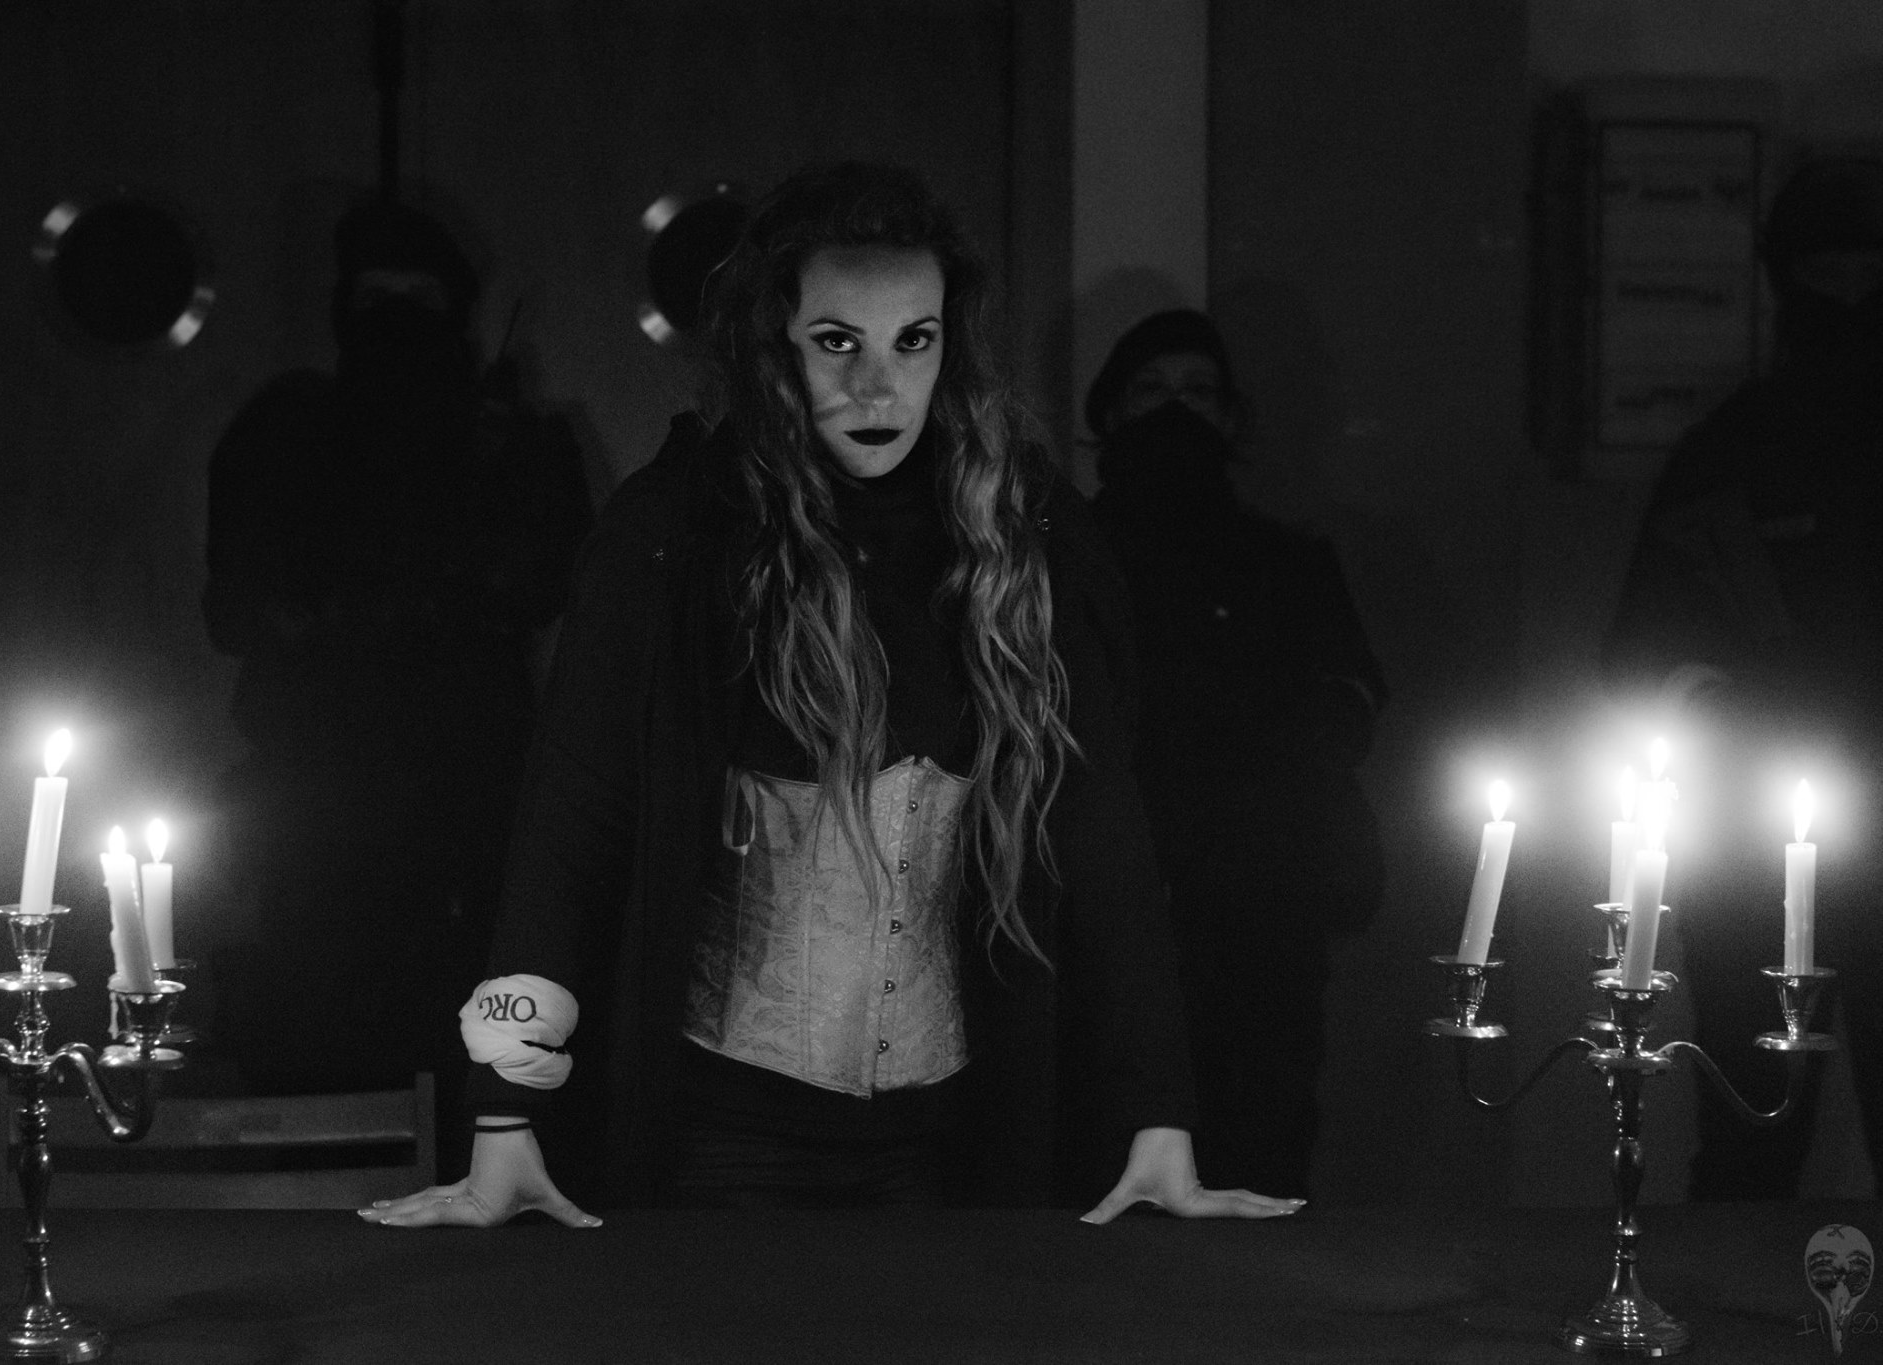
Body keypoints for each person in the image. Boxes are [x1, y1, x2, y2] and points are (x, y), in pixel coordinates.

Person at [359, 163, 1304, 1226]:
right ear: (776, 344)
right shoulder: (676, 535)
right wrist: (503, 1113)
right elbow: (572, 819)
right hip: (722, 1137)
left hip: (953, 1138)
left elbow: (1103, 834)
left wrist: (1157, 1114)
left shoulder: (1022, 535)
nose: (877, 386)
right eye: (837, 341)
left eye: (914, 340)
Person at [203, 199, 592, 1178]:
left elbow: (547, 578)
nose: (398, 323)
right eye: (376, 299)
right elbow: (238, 605)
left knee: (472, 1083)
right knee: (319, 1083)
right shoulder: (287, 430)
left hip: (470, 820)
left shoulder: (511, 439)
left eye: (421, 299)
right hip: (318, 813)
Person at [1602, 156, 1883, 1200]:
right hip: (1758, 849)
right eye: (1829, 273)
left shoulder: (1729, 447)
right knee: (1748, 1136)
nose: (1849, 297)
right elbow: (1640, 658)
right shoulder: (1728, 454)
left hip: (1769, 841)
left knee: (1748, 1141)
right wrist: (1734, 712)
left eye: (1867, 272)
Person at [1085, 310, 1386, 1200]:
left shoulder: (1287, 564)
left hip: (1259, 919)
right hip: (1102, 910)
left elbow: (1352, 701)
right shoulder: (1059, 562)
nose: (1174, 414)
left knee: (1259, 1141)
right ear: (1111, 410)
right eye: (1151, 391)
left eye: (1196, 393)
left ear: (1229, 414)